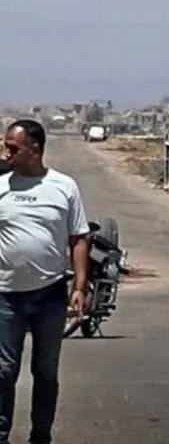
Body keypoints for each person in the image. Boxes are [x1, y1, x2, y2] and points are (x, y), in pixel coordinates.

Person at [0, 120, 90, 444]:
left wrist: (79, 287)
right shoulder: (1, 188)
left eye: (12, 147)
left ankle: (41, 435)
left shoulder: (64, 187)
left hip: (50, 294)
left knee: (46, 372)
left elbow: (79, 238)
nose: (6, 152)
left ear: (34, 149)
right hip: (5, 297)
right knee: (3, 371)